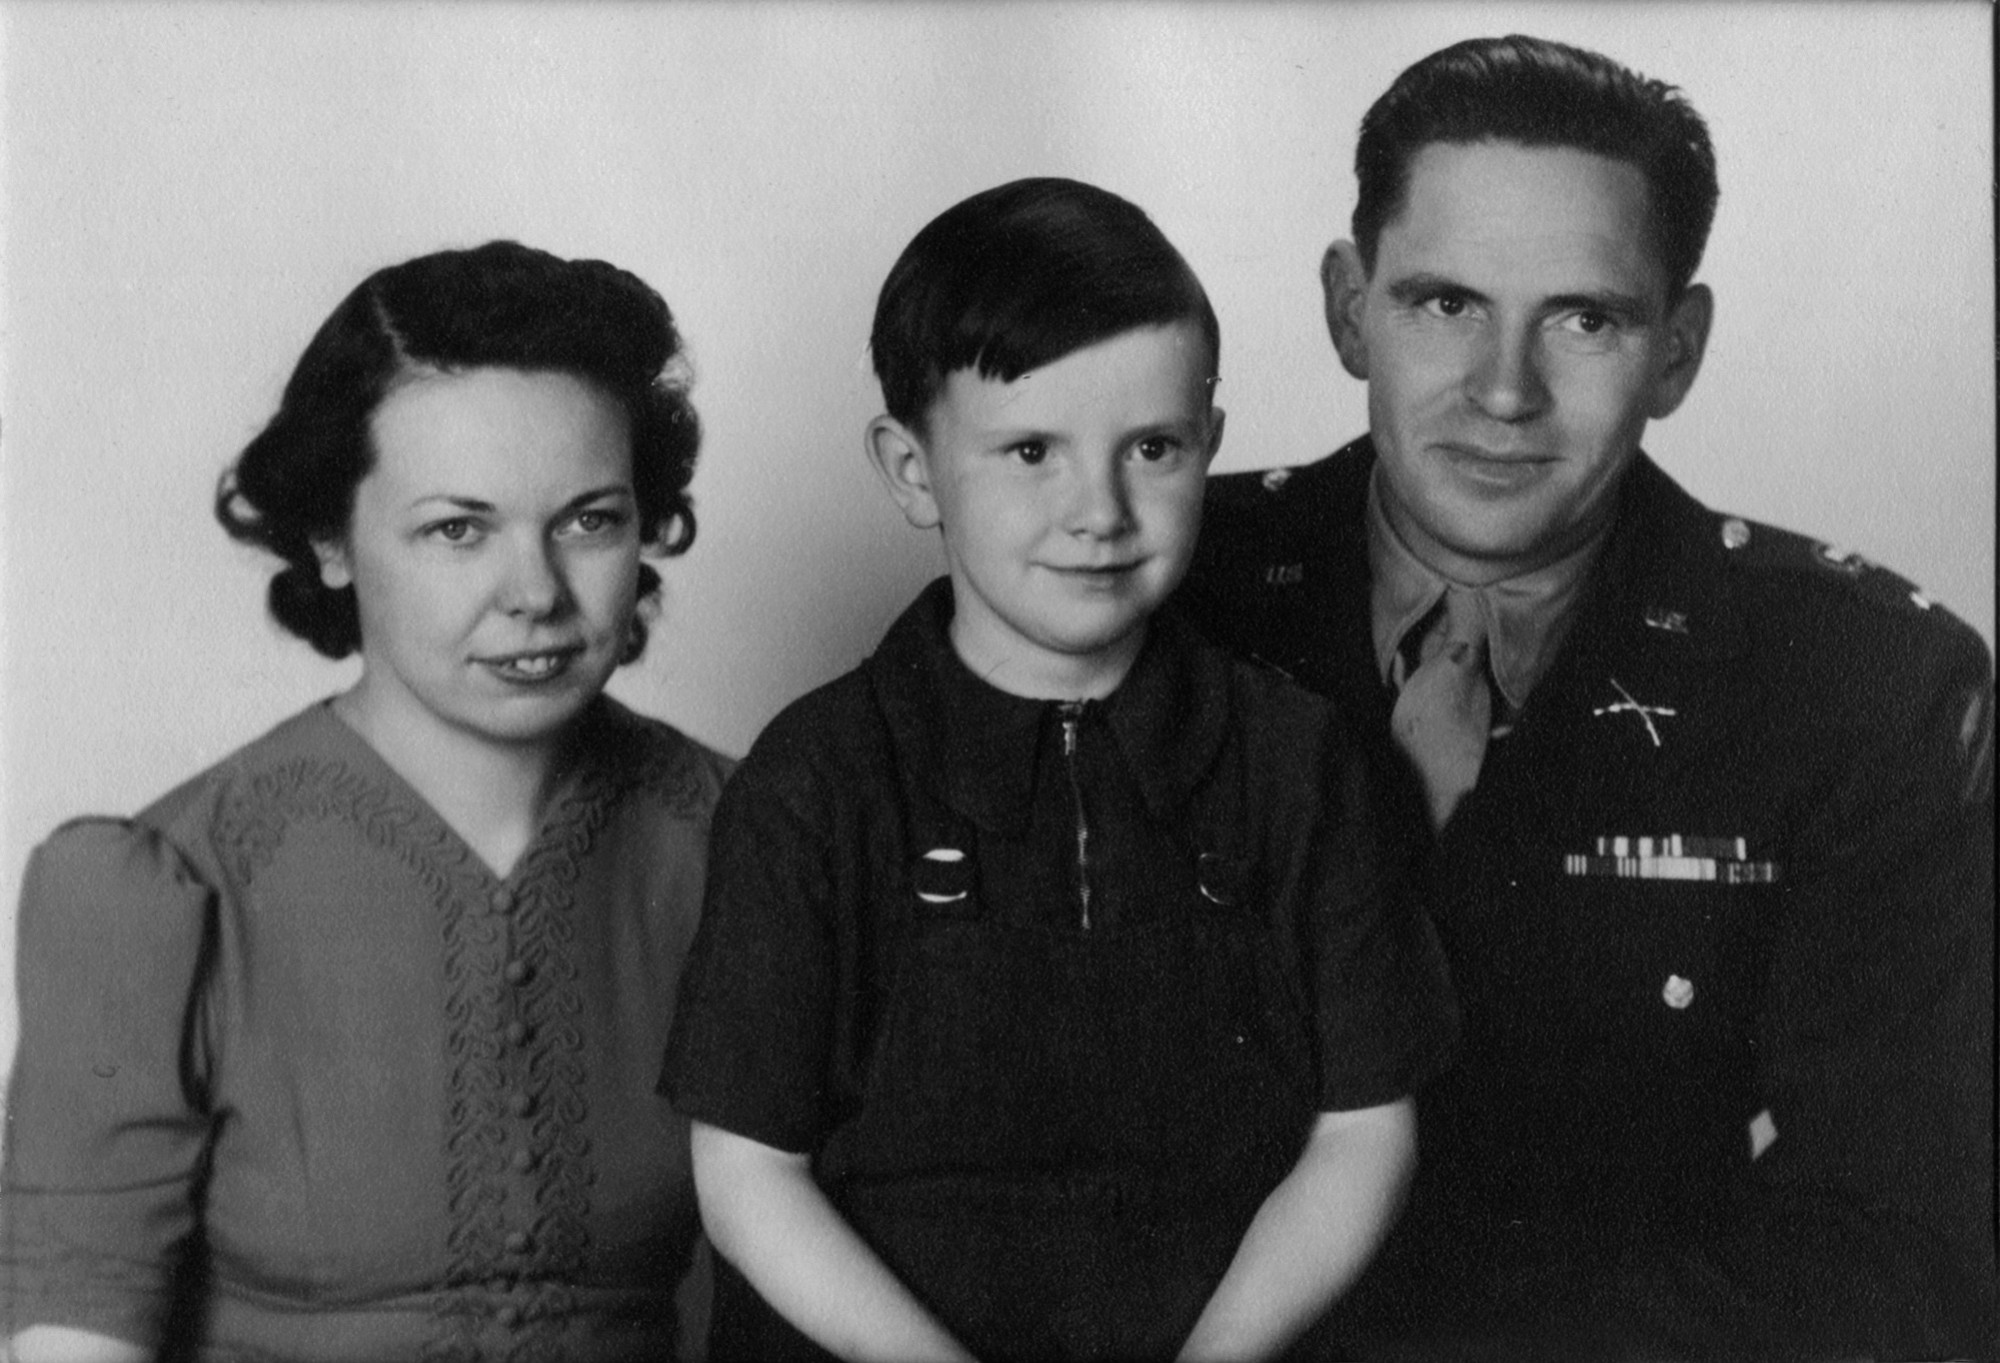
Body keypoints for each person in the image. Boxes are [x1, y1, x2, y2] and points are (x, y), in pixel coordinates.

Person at [1176, 34, 1997, 1361]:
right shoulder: (1154, 605)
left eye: (1586, 317)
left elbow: (1908, 1254)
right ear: (1347, 308)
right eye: (1444, 302)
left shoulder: (1858, 685)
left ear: (1677, 348)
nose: (1504, 391)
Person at [661, 178, 1453, 1362]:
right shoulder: (817, 780)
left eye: (1152, 447)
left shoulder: (1298, 763)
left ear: (1209, 444)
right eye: (1029, 450)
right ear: (912, 468)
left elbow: (1363, 1130)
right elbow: (745, 1174)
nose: (1100, 509)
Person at [1, 241, 732, 1360]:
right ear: (332, 541)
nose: (534, 593)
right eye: (457, 528)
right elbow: (73, 1322)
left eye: (589, 519)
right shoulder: (161, 887)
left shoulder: (742, 838)